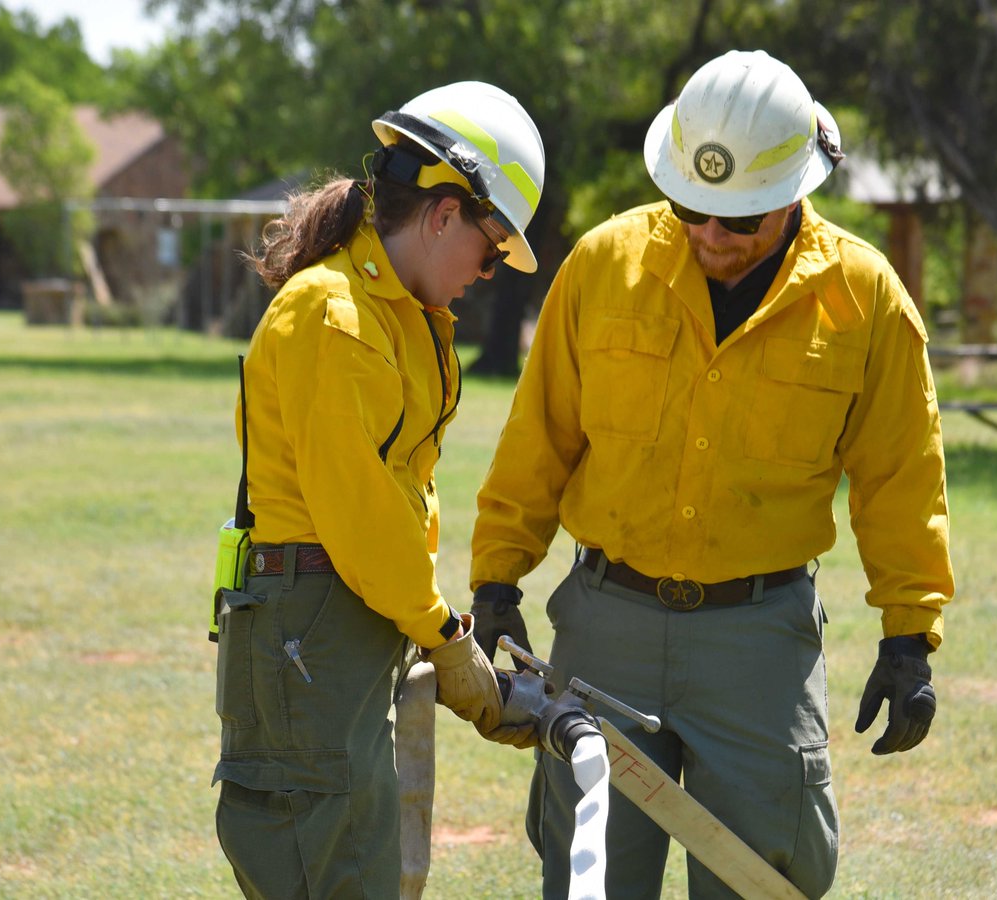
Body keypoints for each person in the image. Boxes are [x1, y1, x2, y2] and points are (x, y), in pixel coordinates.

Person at [469, 50, 954, 899]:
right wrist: (495, 582)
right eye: (692, 208)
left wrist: (909, 637)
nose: (712, 236)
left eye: (741, 219)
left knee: (762, 881)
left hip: (759, 646)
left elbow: (901, 477)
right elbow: (537, 439)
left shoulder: (866, 299)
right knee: (589, 879)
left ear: (794, 191)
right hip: (604, 635)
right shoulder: (600, 266)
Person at [211, 80, 545, 898]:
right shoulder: (336, 317)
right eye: (493, 243)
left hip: (344, 619)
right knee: (331, 876)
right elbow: (360, 516)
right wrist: (445, 636)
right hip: (313, 625)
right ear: (442, 213)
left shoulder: (392, 311)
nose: (491, 269)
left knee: (366, 871)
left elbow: (393, 503)